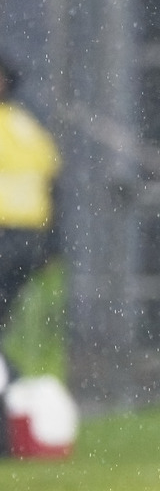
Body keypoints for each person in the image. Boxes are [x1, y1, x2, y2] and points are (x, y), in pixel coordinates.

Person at [0, 51, 61, 401]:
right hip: (25, 240)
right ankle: (15, 383)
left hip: (16, 240)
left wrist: (50, 245)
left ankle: (15, 384)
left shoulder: (23, 125)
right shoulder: (27, 125)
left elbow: (52, 185)